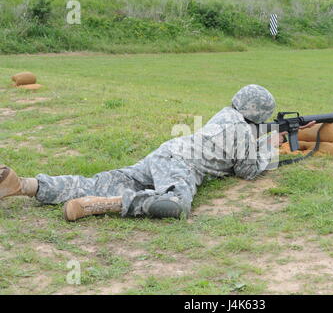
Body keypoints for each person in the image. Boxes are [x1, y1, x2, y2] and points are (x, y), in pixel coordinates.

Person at [0, 85, 314, 222]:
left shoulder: (225, 115)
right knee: (174, 205)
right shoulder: (245, 132)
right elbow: (247, 171)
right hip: (182, 165)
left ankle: (24, 185)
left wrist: (263, 138)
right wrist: (269, 149)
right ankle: (102, 206)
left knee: (102, 179)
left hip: (165, 152)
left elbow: (233, 145)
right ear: (260, 114)